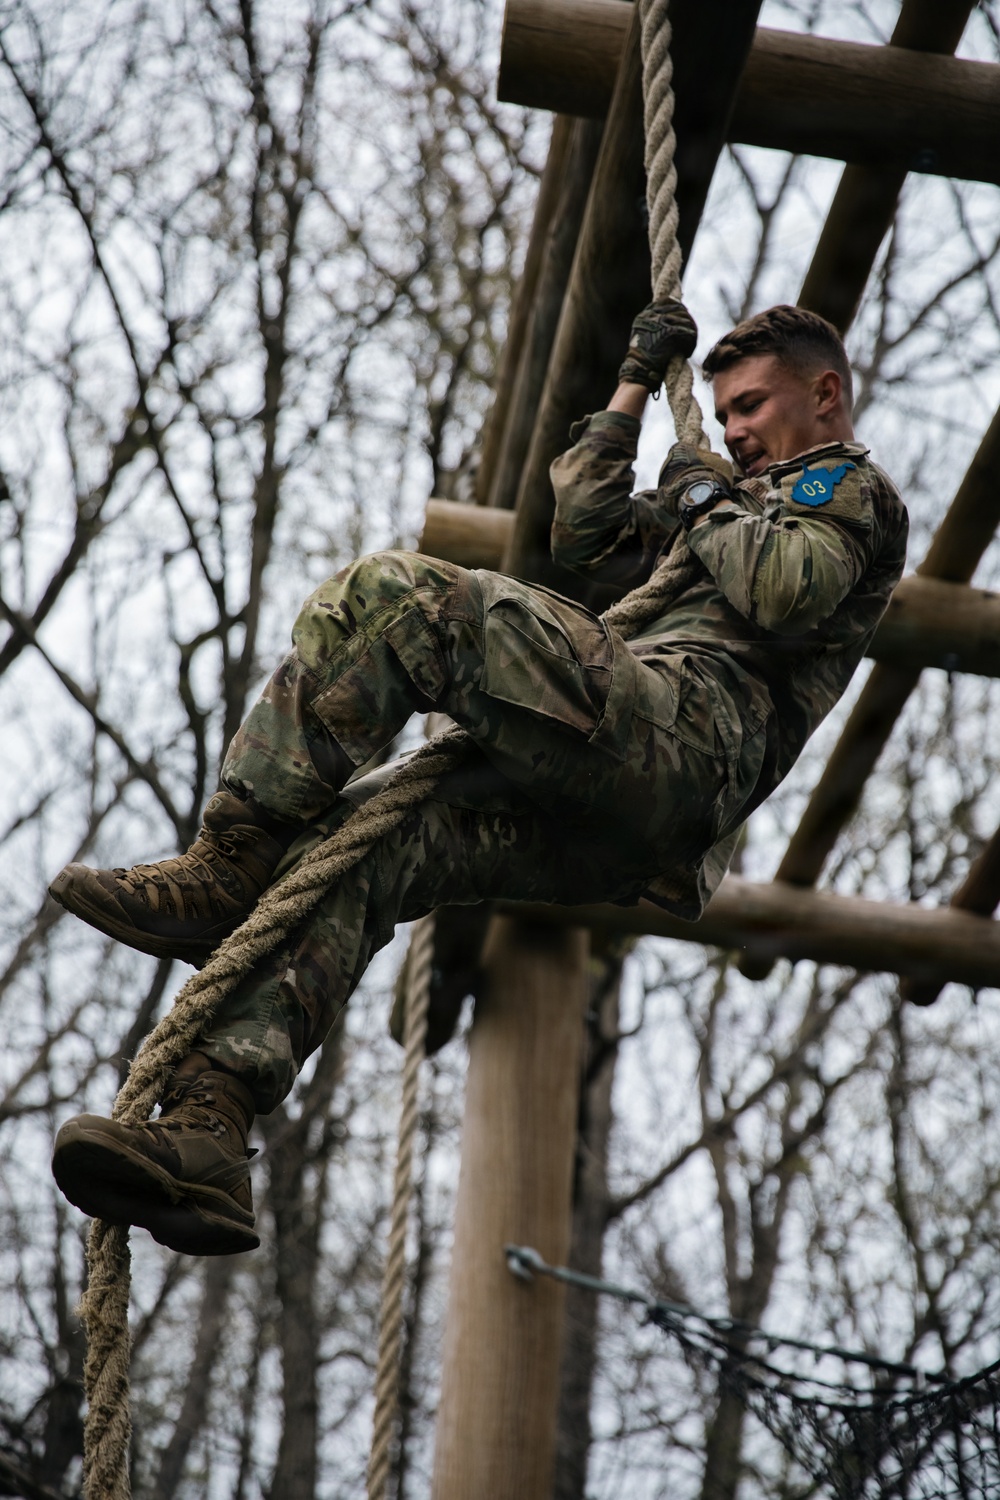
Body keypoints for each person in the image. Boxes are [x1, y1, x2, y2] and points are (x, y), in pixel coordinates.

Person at [49, 301, 908, 1255]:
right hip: (612, 811)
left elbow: (784, 589)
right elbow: (582, 533)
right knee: (354, 854)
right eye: (728, 413)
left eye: (751, 406)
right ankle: (207, 1130)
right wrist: (633, 383)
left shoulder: (847, 492)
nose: (737, 431)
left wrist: (705, 495)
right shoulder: (720, 508)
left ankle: (227, 859)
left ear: (824, 393)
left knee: (397, 600)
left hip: (680, 746)